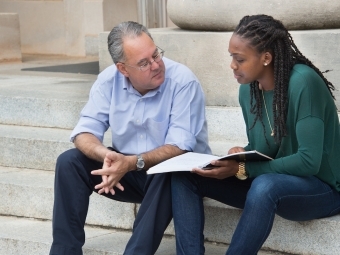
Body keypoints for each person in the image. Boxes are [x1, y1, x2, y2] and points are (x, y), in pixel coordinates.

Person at [171, 14, 340, 255]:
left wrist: (243, 169)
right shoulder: (248, 91)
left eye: (239, 59)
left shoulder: (304, 83)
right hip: (275, 179)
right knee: (187, 176)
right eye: (231, 57)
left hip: (324, 188)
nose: (232, 65)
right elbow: (266, 147)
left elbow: (308, 161)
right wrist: (240, 156)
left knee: (264, 185)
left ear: (266, 58)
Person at [49, 21, 211, 255]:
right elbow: (83, 132)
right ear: (123, 69)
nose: (156, 65)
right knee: (69, 162)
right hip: (128, 172)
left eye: (156, 55)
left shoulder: (183, 82)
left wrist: (133, 162)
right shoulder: (109, 80)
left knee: (168, 169)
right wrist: (107, 155)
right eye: (144, 63)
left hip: (177, 178)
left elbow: (180, 146)